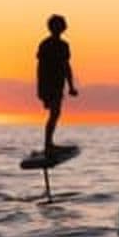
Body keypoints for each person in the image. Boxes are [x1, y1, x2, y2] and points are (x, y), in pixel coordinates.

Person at [36, 15, 78, 155]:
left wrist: (71, 86)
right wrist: (42, 88)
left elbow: (66, 66)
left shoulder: (63, 45)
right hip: (49, 84)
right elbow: (41, 67)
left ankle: (49, 143)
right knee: (54, 113)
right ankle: (48, 144)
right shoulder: (46, 44)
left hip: (57, 84)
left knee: (55, 113)